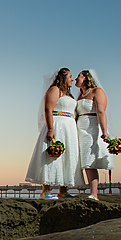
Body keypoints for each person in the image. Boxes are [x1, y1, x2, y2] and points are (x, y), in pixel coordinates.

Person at [24, 68, 84, 198]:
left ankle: (63, 190)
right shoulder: (54, 90)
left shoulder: (69, 94)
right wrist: (51, 129)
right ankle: (45, 191)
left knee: (67, 156)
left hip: (69, 127)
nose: (72, 79)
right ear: (62, 77)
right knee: (51, 157)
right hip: (57, 124)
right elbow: (48, 109)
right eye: (70, 76)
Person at [74, 69, 113, 200]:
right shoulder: (80, 95)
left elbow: (101, 112)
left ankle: (94, 194)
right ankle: (91, 192)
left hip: (92, 127)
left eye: (78, 76)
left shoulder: (97, 91)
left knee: (91, 161)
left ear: (86, 77)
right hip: (81, 128)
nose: (75, 78)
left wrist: (104, 132)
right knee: (85, 162)